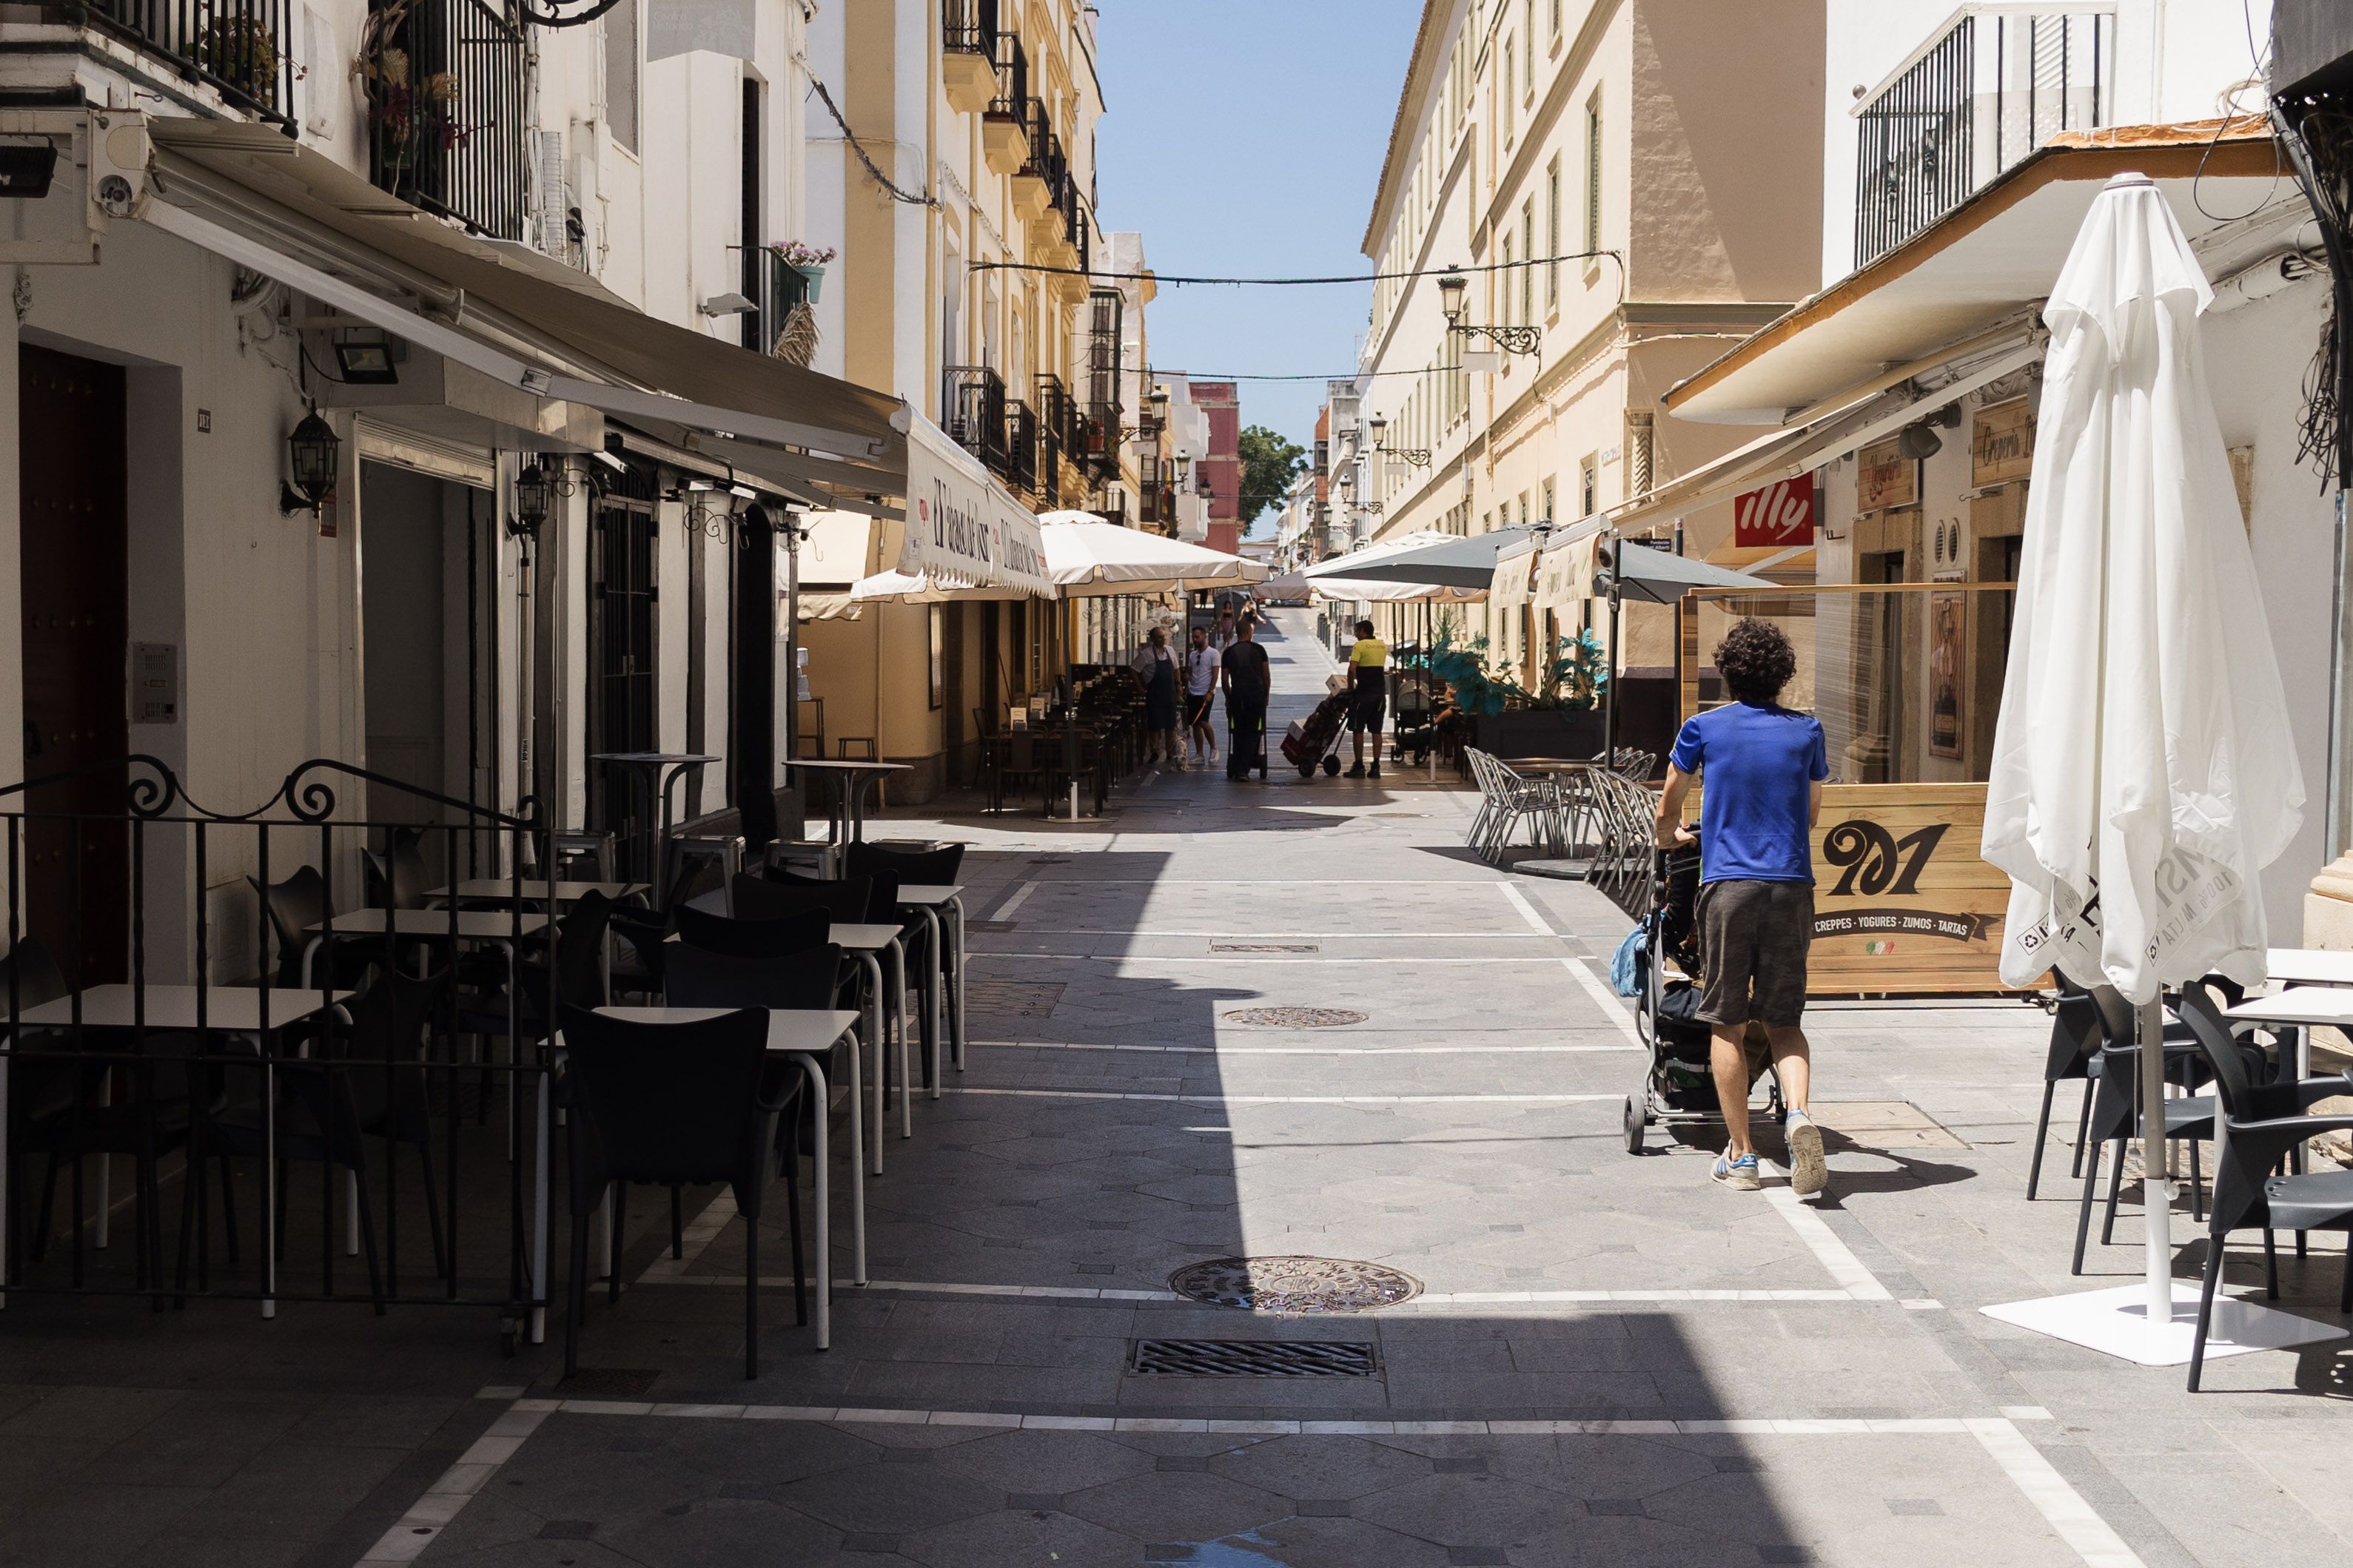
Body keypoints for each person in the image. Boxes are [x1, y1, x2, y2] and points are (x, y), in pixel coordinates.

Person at [1652, 617, 1828, 1200]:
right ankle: (1798, 1114)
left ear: (1726, 672)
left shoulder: (1702, 727)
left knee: (1726, 1020)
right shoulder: (1807, 731)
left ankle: (1742, 1153)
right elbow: (1809, 815)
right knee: (1784, 1019)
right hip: (1790, 884)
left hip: (1727, 885)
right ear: (1783, 674)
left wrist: (1670, 836)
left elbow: (1668, 801)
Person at [1221, 615, 1272, 780]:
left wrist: (1228, 698)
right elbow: (1266, 676)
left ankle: (1237, 765)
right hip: (1256, 695)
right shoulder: (1259, 650)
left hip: (1237, 696)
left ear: (1236, 632)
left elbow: (1224, 680)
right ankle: (1243, 769)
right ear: (1250, 632)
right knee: (1253, 732)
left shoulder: (1228, 652)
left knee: (1237, 731)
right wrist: (1266, 694)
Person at [1130, 627, 1183, 767]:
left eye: (1163, 636)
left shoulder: (1170, 651)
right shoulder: (1146, 654)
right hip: (1154, 694)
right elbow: (1134, 670)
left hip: (1169, 693)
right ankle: (1155, 751)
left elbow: (1176, 669)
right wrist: (1140, 687)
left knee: (1170, 724)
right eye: (1159, 637)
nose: (1163, 639)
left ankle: (1170, 752)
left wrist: (1178, 684)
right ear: (1152, 639)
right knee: (1154, 724)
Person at [1343, 618, 1388, 779]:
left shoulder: (1359, 646)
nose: (1355, 634)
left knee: (1358, 729)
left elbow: (1352, 669)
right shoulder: (1383, 645)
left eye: (1357, 631)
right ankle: (1376, 766)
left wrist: (1350, 688)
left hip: (1364, 695)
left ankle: (1359, 765)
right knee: (1377, 731)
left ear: (1363, 631)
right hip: (1380, 695)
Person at [1184, 624, 1221, 767]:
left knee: (1204, 721)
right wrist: (1187, 676)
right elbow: (1190, 671)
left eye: (1197, 637)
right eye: (1193, 637)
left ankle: (1214, 749)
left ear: (1205, 637)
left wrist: (1210, 692)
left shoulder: (1213, 654)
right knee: (1195, 724)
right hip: (1193, 692)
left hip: (1205, 693)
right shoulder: (1193, 655)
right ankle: (1200, 754)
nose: (1195, 639)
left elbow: (1215, 674)